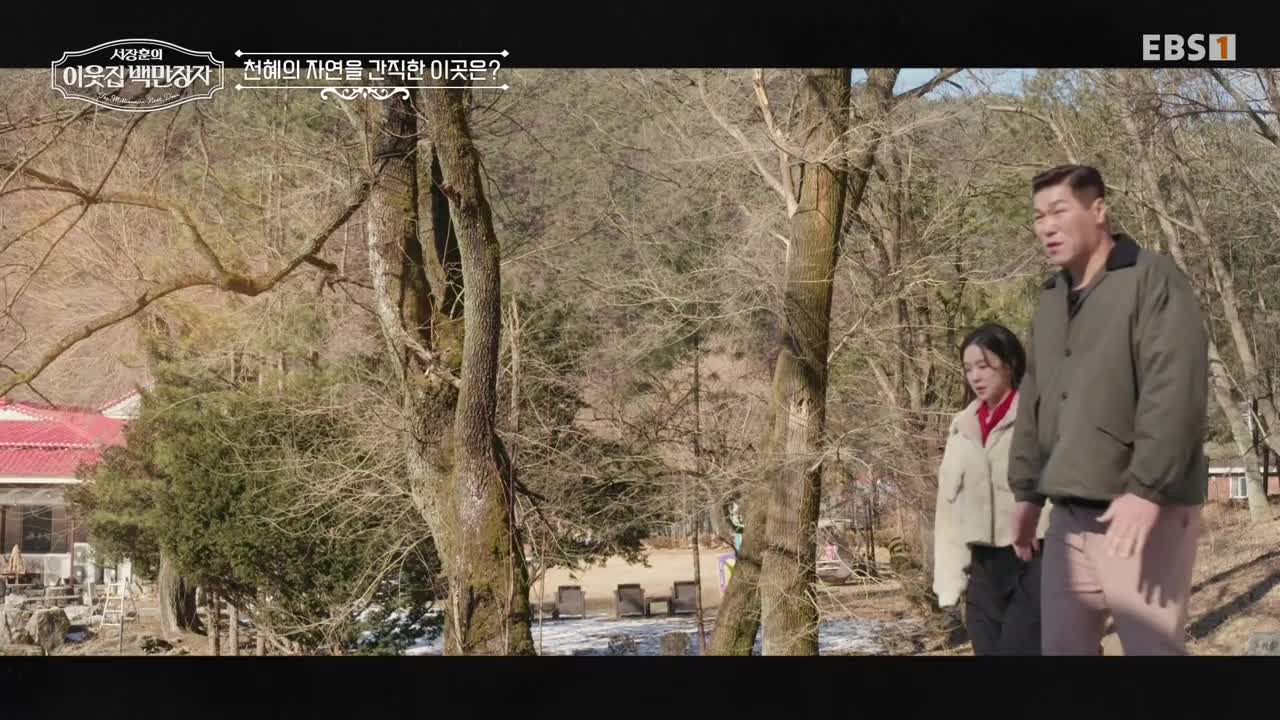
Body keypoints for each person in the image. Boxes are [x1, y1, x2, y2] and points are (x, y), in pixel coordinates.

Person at [1007, 164, 1209, 655]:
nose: (1047, 226)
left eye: (1059, 211)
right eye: (1038, 216)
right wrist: (1027, 492)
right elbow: (1034, 396)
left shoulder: (1152, 279)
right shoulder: (1051, 298)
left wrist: (1147, 489)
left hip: (1143, 514)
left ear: (1098, 210)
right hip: (1067, 519)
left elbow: (1175, 389)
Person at [932, 322, 1049, 655]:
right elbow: (948, 510)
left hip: (1035, 560)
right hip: (982, 572)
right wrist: (949, 583)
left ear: (1010, 364)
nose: (975, 377)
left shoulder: (1038, 417)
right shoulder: (961, 429)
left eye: (984, 366)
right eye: (968, 368)